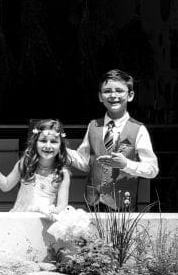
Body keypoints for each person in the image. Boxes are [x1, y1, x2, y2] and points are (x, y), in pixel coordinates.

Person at [67, 69, 159, 211]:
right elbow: (85, 162)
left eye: (119, 90)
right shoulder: (93, 126)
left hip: (122, 206)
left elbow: (152, 170)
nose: (113, 95)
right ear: (100, 96)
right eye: (107, 91)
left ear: (130, 95)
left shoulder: (138, 129)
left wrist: (126, 164)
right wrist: (61, 151)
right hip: (94, 203)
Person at [0, 119, 71, 215]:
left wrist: (50, 211)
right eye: (43, 140)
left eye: (53, 142)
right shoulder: (25, 163)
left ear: (61, 145)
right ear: (35, 142)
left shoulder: (62, 173)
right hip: (20, 219)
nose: (48, 145)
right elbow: (6, 185)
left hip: (43, 223)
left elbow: (62, 206)